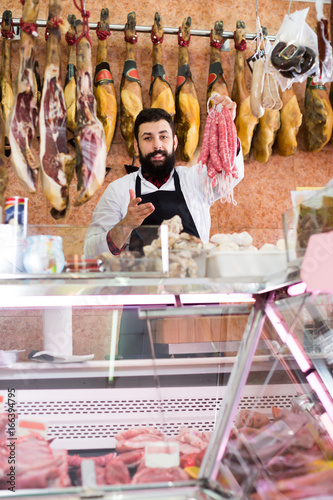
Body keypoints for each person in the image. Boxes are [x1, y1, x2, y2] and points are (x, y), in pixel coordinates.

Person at [84, 95, 244, 259]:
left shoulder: (194, 179)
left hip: (191, 281)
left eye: (163, 136)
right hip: (142, 283)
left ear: (174, 143)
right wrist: (126, 225)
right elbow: (91, 251)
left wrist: (227, 126)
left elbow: (229, 172)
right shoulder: (118, 190)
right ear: (136, 146)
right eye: (147, 138)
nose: (157, 145)